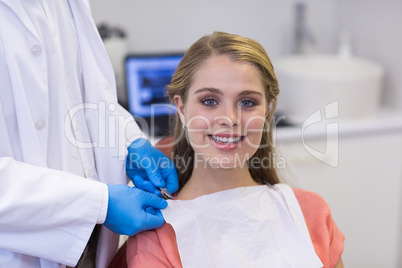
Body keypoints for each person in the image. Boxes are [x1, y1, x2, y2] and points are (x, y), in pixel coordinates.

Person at [112, 31, 345, 267]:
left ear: (267, 109)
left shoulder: (311, 213)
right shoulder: (156, 239)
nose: (230, 118)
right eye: (210, 101)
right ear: (181, 108)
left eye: (247, 102)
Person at [0, 1, 178, 267]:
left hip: (93, 238)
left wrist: (129, 141)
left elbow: (85, 96)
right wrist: (98, 204)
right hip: (21, 247)